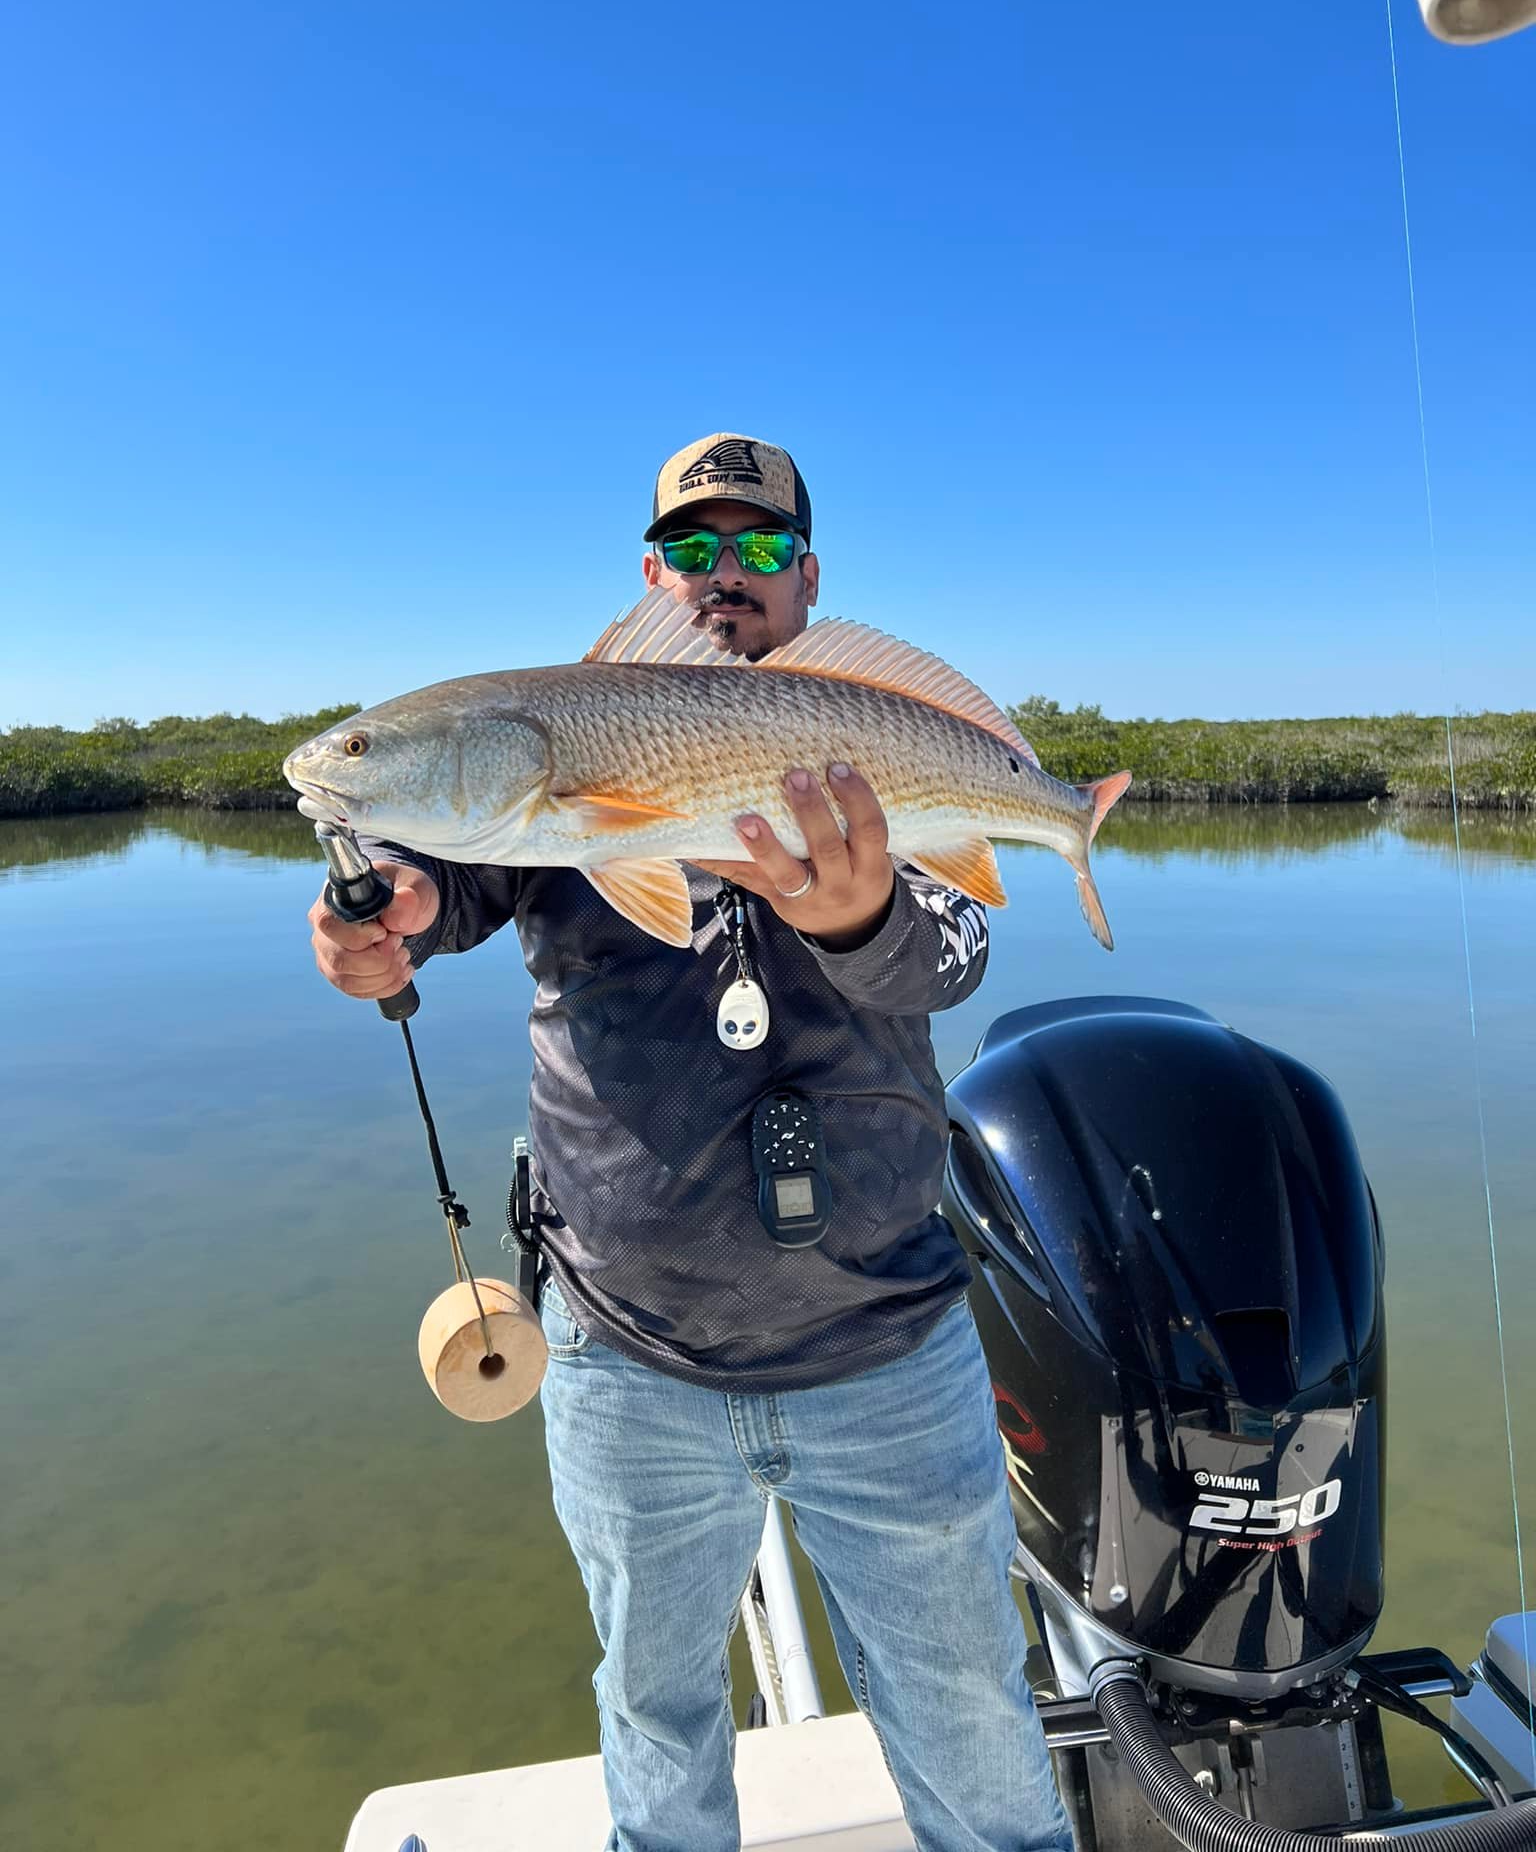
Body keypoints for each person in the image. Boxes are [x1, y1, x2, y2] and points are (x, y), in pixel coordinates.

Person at [307, 433, 1071, 1852]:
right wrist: (380, 923)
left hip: (886, 1345)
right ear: (650, 573)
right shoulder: (550, 749)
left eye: (762, 549)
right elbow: (442, 877)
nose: (728, 575)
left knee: (975, 1727)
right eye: (694, 549)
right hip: (625, 1355)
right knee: (654, 1726)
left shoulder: (859, 750)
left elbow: (951, 955)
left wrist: (856, 913)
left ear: (807, 578)